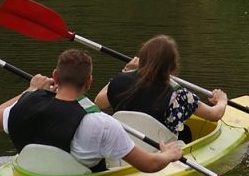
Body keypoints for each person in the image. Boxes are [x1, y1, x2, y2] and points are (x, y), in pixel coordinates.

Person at [0, 48, 183, 173]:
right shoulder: (102, 124)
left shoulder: (24, 106)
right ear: (89, 82)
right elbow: (149, 165)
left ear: (55, 75)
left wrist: (30, 90)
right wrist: (169, 154)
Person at [93, 35, 228, 143]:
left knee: (185, 130)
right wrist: (222, 100)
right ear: (173, 66)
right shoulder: (178, 94)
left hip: (126, 149)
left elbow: (99, 102)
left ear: (142, 59)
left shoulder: (119, 81)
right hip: (161, 152)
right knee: (185, 133)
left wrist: (125, 71)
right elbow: (214, 115)